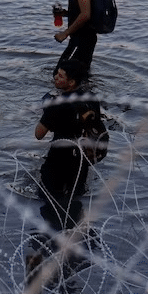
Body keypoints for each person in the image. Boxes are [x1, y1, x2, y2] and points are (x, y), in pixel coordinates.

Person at [36, 59, 99, 205]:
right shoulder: (92, 99)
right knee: (76, 198)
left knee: (47, 199)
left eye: (60, 76)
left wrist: (46, 111)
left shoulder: (56, 103)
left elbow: (39, 134)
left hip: (58, 160)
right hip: (81, 160)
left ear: (71, 82)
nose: (55, 77)